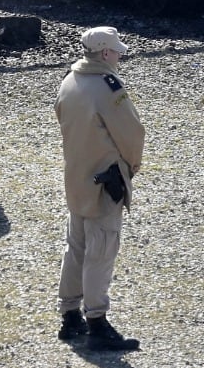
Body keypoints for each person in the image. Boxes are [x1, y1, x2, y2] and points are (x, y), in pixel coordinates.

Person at [54, 26, 145, 351]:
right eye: (116, 50)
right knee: (101, 251)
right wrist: (131, 167)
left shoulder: (69, 80)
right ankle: (97, 321)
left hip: (76, 178)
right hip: (105, 183)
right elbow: (132, 133)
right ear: (105, 53)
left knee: (76, 247)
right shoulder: (107, 87)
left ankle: (70, 315)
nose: (119, 55)